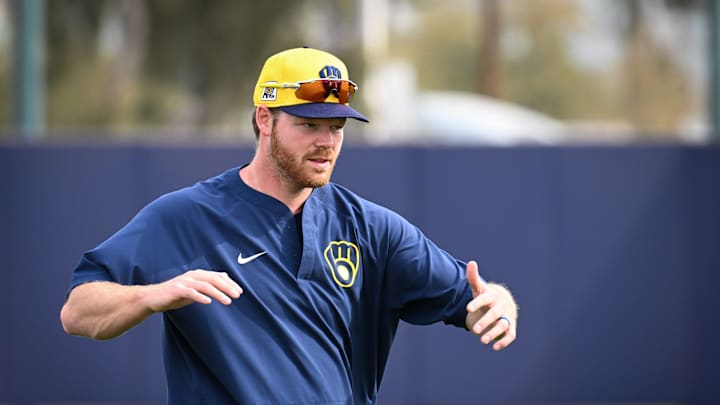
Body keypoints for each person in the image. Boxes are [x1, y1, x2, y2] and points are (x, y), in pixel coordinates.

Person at [60, 47, 518, 405]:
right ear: (265, 119)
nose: (326, 142)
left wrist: (498, 304)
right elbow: (78, 312)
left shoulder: (373, 229)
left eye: (337, 126)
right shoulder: (184, 217)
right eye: (308, 124)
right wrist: (152, 295)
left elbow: (475, 298)